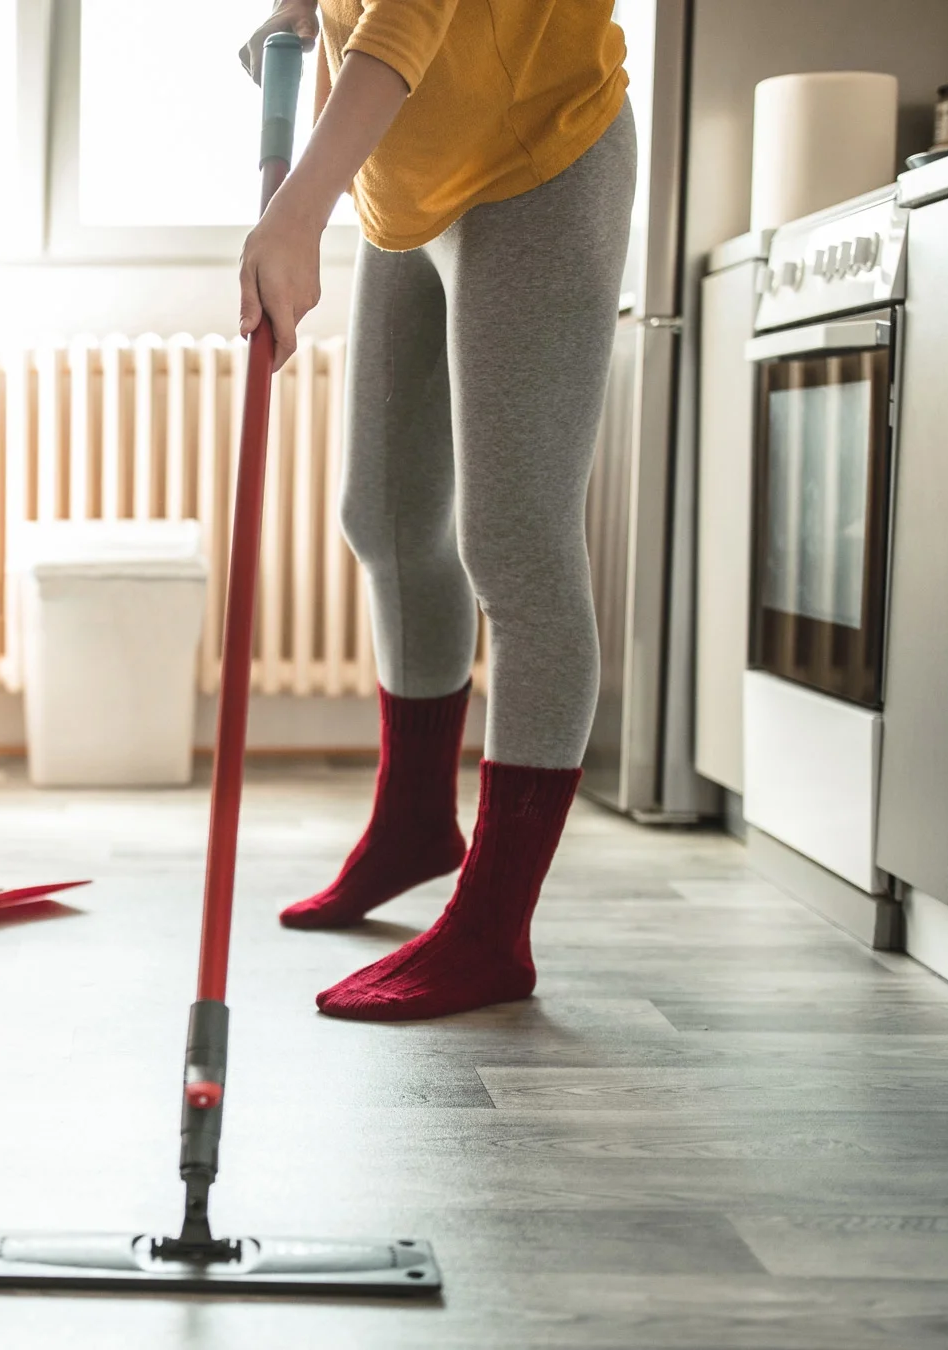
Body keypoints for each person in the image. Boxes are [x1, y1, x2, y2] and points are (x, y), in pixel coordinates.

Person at [235, 0, 635, 1020]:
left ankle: (494, 926)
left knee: (515, 543)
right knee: (385, 515)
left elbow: (406, 21)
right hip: (408, 185)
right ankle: (414, 822)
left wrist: (295, 214)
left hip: (533, 161)